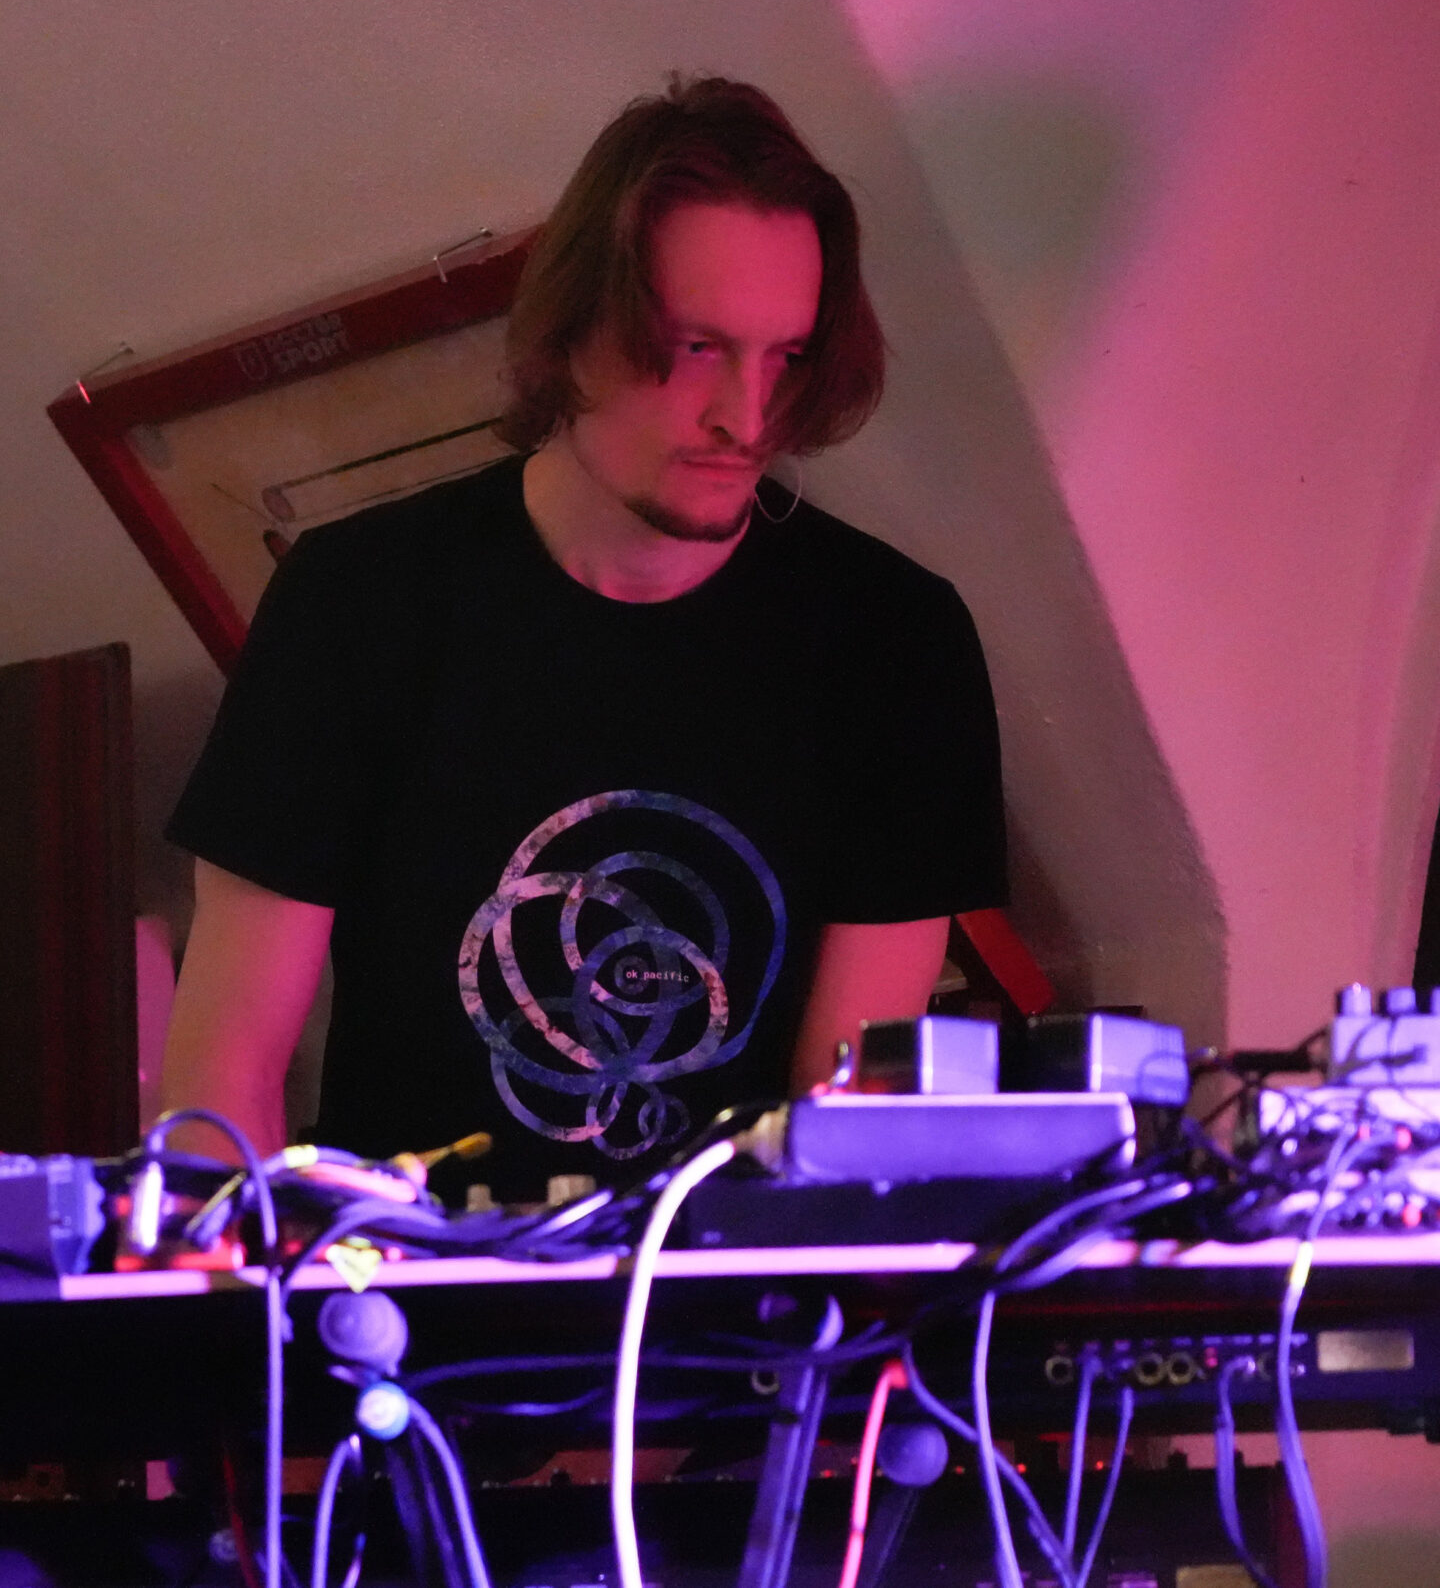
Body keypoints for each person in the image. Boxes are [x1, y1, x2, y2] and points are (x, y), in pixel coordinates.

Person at [159, 77, 1005, 1200]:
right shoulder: (356, 600)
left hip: (736, 1304)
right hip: (399, 1292)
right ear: (574, 331)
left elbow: (848, 1125)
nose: (746, 416)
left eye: (785, 357)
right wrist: (247, 1290)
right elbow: (222, 1077)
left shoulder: (896, 642)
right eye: (696, 347)